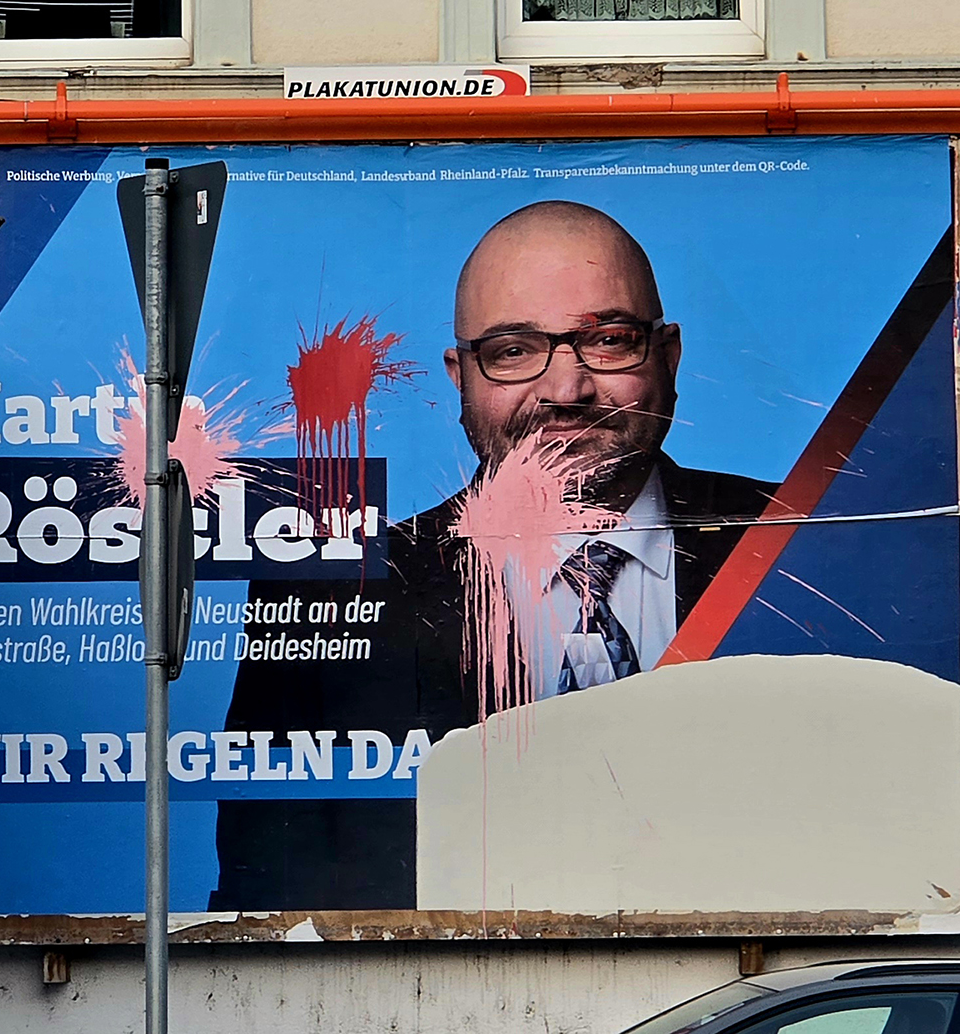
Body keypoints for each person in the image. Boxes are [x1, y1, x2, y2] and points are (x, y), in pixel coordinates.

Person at [209, 200, 775, 911]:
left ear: (668, 355)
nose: (566, 390)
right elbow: (266, 905)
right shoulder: (337, 591)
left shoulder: (803, 538)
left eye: (609, 340)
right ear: (460, 375)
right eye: (513, 350)